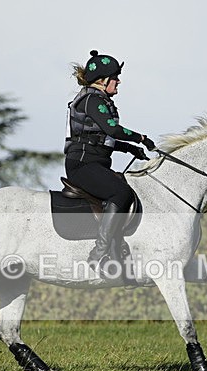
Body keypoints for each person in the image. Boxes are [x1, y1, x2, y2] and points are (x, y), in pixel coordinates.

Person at [64, 50, 156, 276]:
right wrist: (140, 138)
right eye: (115, 77)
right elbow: (112, 130)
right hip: (83, 165)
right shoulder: (92, 100)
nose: (119, 81)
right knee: (121, 194)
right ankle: (100, 253)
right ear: (102, 80)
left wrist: (130, 148)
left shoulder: (99, 101)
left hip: (93, 162)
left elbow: (102, 139)